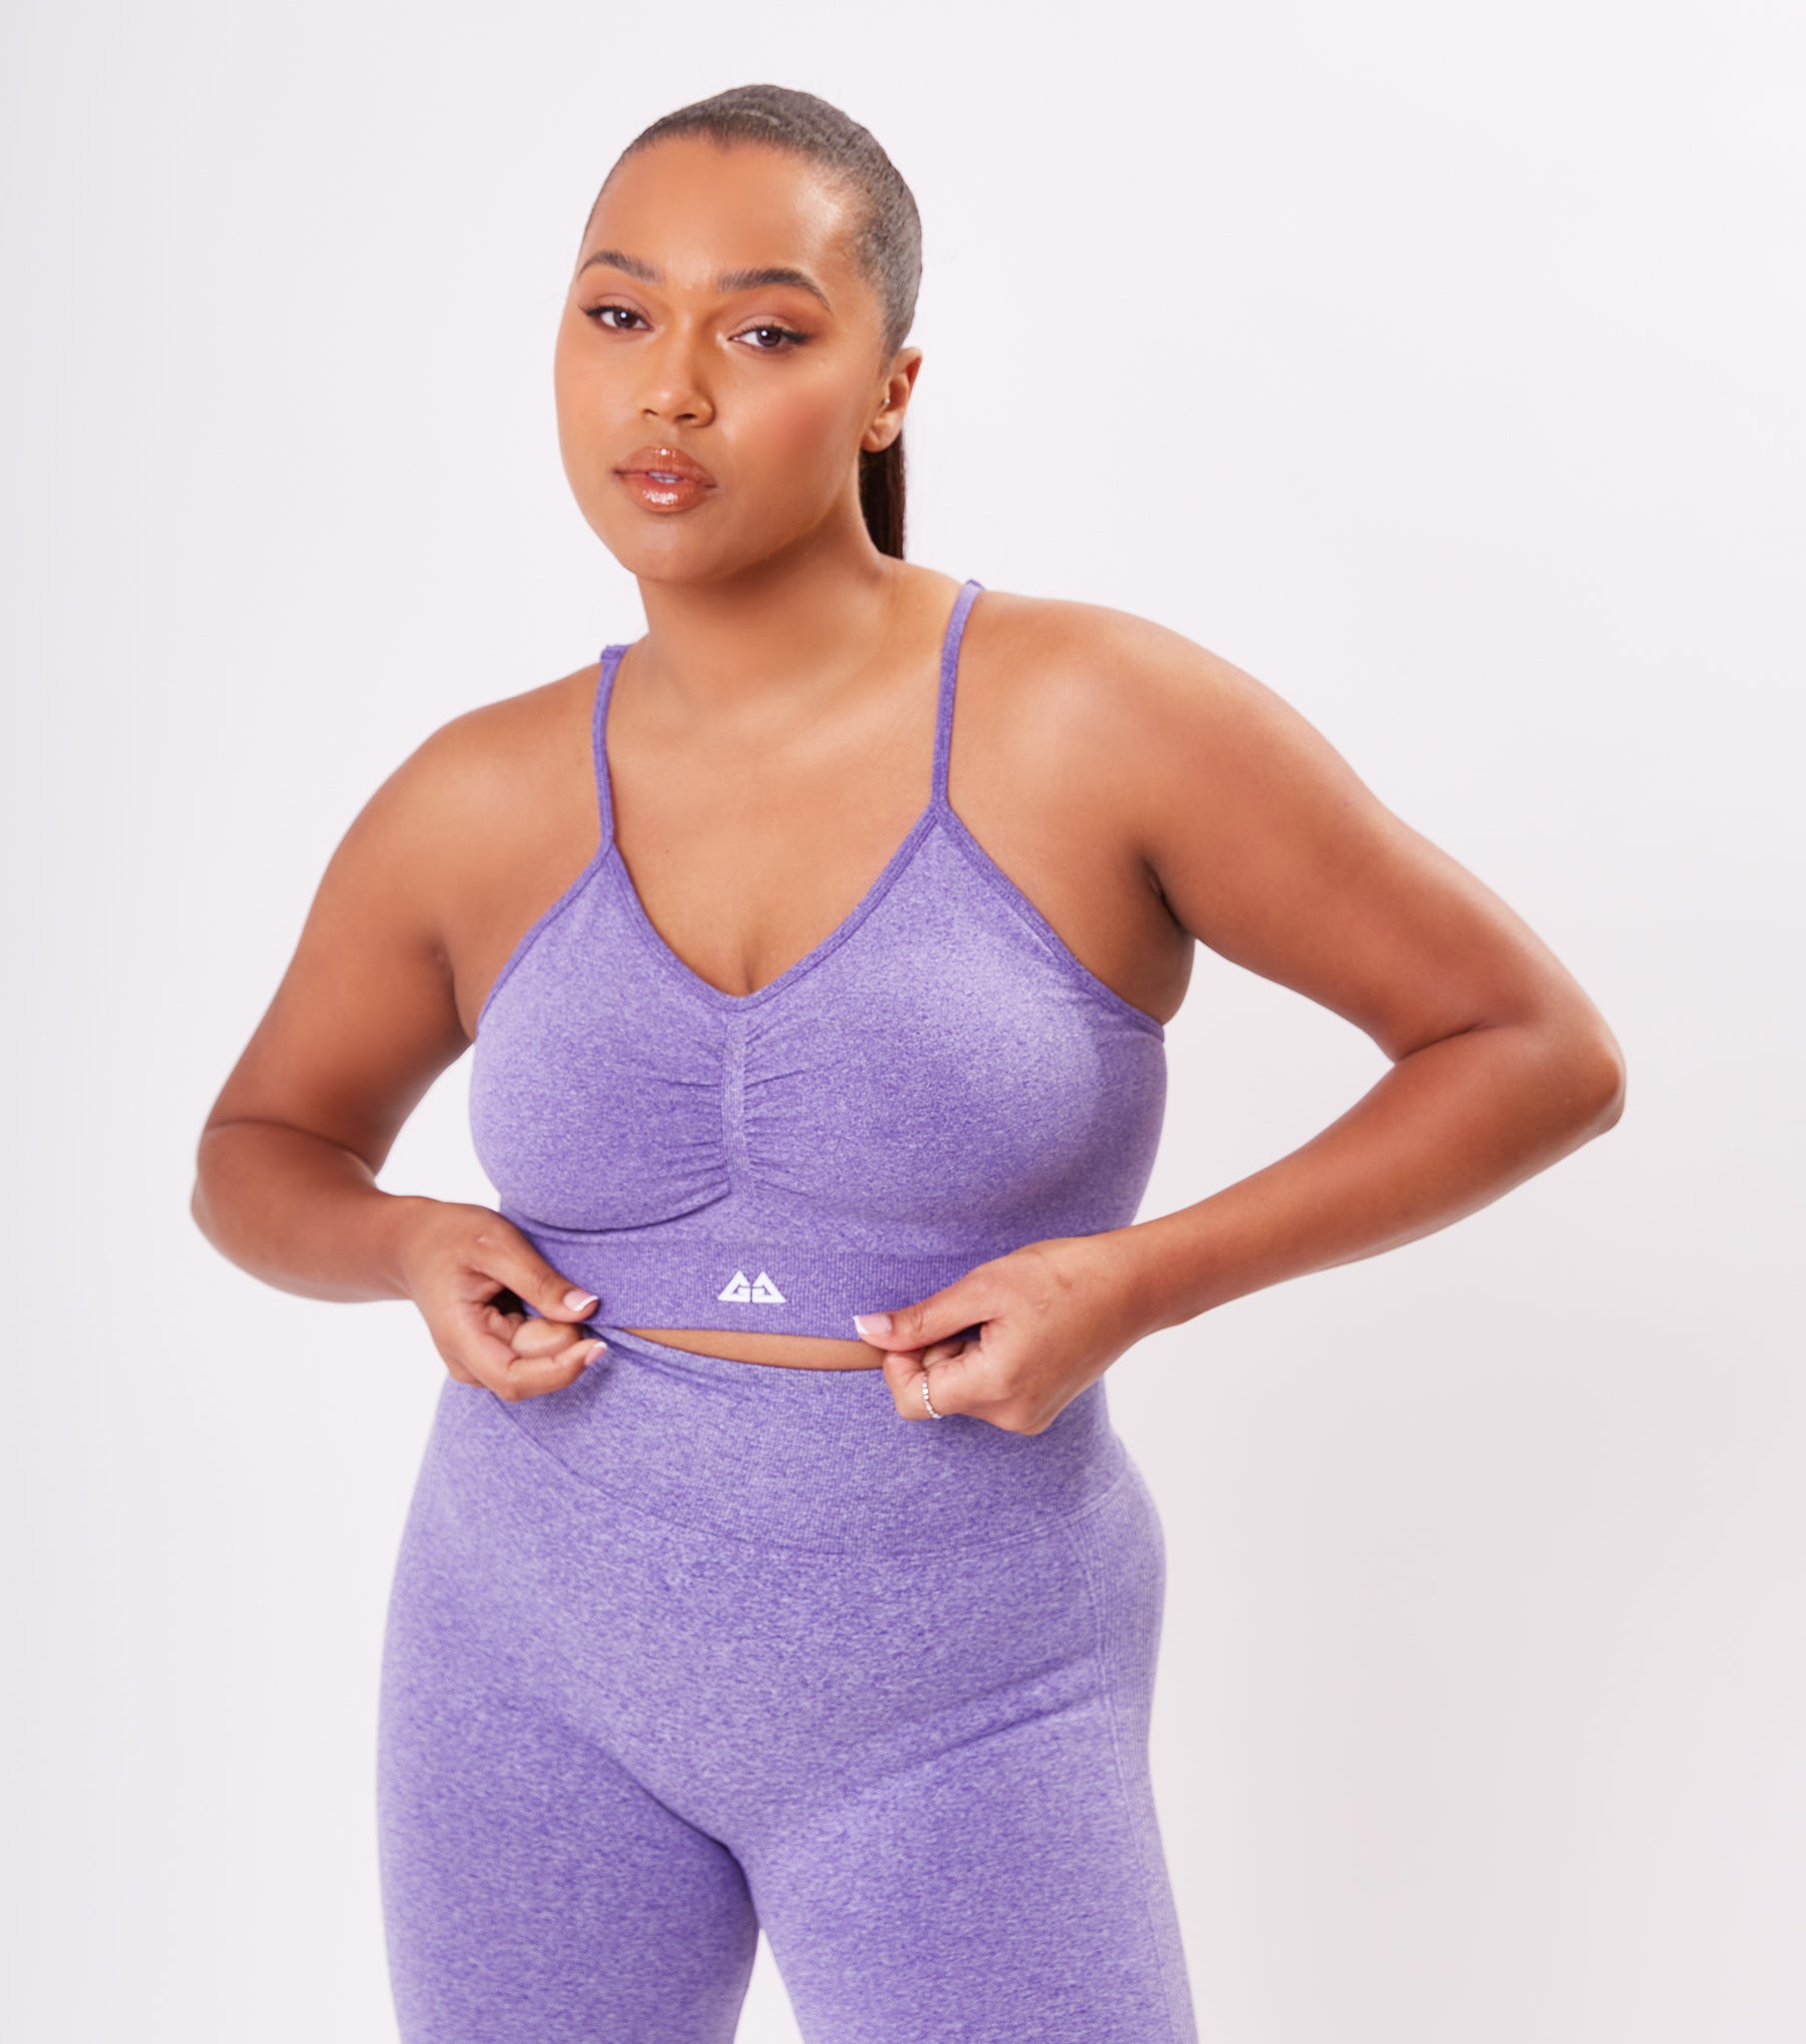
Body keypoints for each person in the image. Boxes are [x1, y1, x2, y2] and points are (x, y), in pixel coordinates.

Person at [190, 82, 1625, 2044]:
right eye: (617, 313)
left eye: (765, 330)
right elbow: (259, 1147)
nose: (670, 388)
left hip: (968, 1687)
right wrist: (402, 1242)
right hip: (523, 1661)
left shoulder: (1093, 717)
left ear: (888, 390)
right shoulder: (477, 794)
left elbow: (1532, 1048)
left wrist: (1133, 1281)